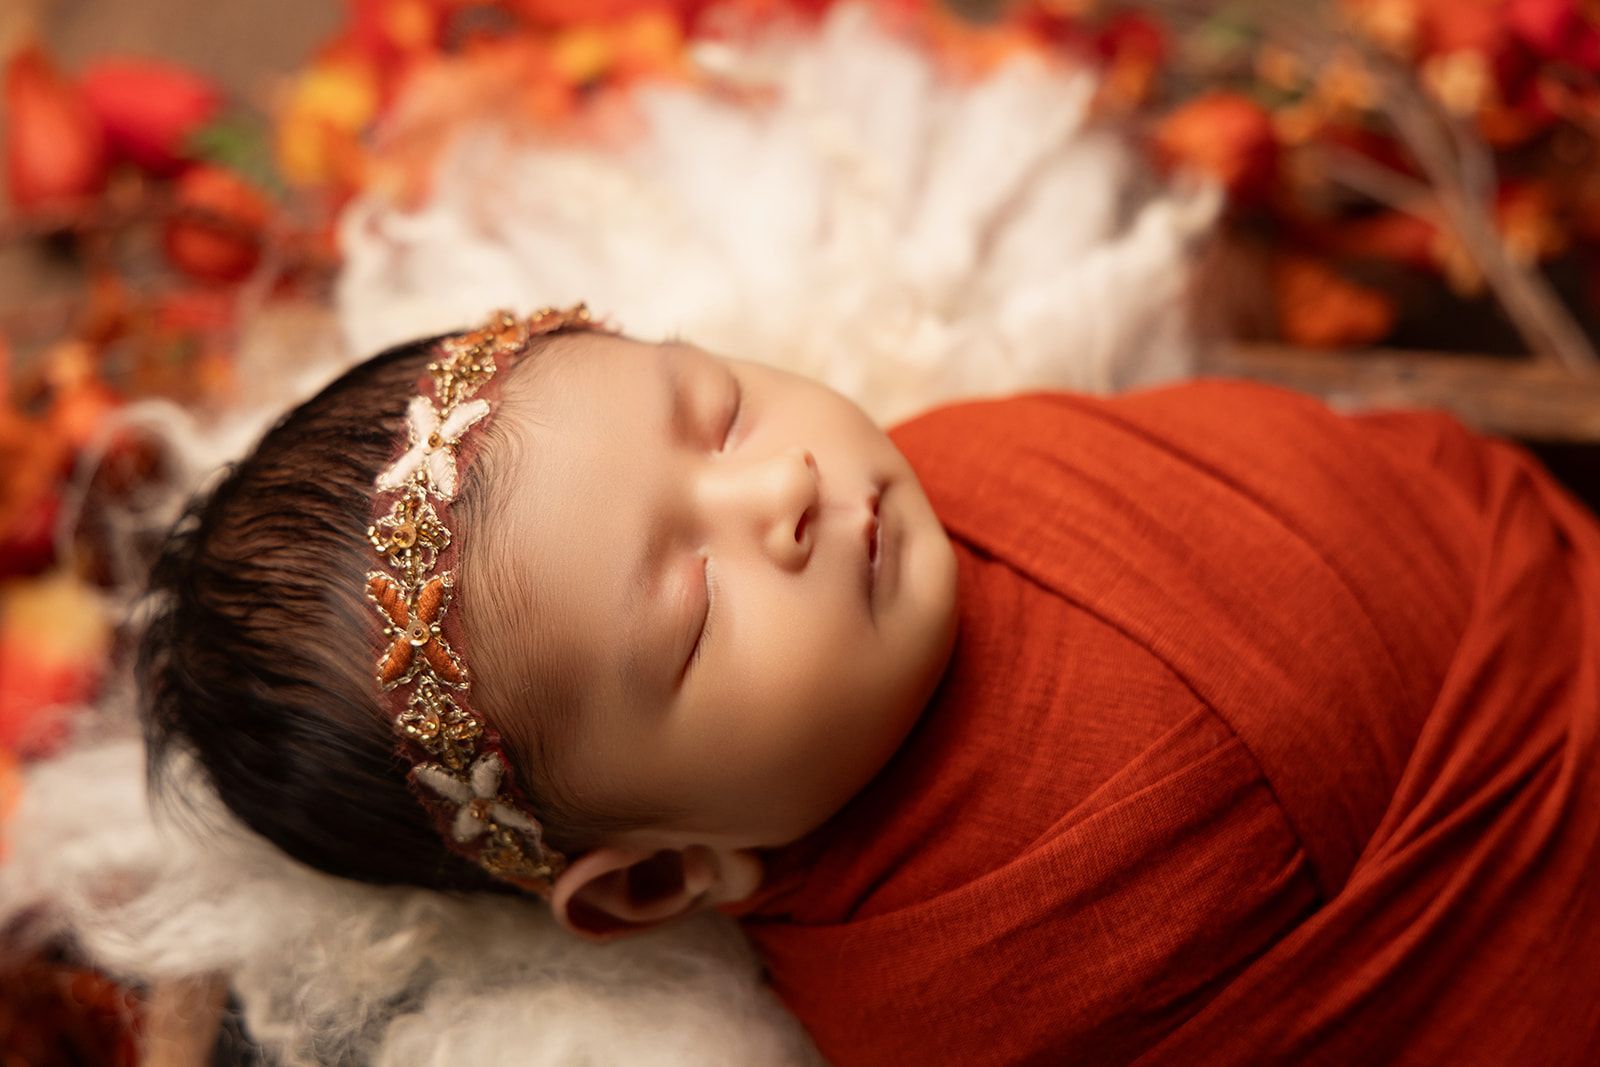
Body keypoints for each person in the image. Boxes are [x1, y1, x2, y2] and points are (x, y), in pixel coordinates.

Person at [140, 306, 1600, 1065]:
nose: (778, 491)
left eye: (715, 412)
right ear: (657, 882)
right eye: (695, 604)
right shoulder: (957, 994)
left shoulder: (967, 463)